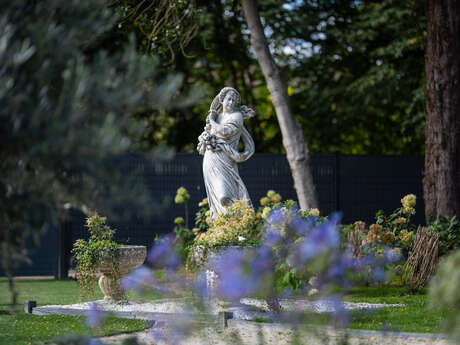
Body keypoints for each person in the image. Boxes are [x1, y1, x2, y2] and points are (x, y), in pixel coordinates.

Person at [197, 87, 255, 220]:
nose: (231, 103)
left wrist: (211, 121)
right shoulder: (218, 116)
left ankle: (235, 225)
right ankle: (222, 227)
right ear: (222, 100)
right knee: (216, 197)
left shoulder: (237, 116)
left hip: (225, 159)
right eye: (229, 99)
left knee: (225, 194)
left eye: (234, 101)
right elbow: (210, 135)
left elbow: (225, 131)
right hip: (210, 158)